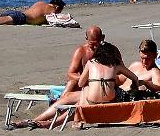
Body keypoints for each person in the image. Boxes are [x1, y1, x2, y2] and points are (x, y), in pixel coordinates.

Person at [12, 42, 141, 129]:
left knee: (72, 97)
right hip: (109, 101)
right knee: (74, 100)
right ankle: (44, 123)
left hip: (92, 101)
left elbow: (80, 83)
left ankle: (38, 120)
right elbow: (134, 78)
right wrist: (134, 87)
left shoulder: (91, 63)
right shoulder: (116, 65)